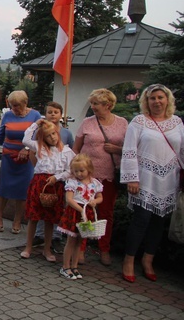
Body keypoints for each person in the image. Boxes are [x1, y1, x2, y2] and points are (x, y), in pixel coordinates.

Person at [120, 84, 183, 283]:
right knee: (141, 220)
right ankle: (128, 261)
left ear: (167, 100)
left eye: (160, 98)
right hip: (144, 180)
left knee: (158, 222)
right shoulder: (139, 122)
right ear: (146, 101)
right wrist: (132, 177)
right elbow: (129, 150)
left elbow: (182, 152)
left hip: (169, 181)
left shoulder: (177, 122)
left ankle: (148, 260)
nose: (156, 101)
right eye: (152, 98)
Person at [72, 88, 127, 266]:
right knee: (84, 211)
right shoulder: (87, 123)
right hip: (87, 177)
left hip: (109, 177)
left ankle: (104, 248)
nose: (93, 106)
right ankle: (81, 248)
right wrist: (74, 171)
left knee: (106, 213)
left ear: (108, 105)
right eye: (92, 103)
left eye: (97, 103)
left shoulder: (122, 123)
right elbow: (76, 148)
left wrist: (117, 150)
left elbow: (131, 149)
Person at [20, 120, 75, 261]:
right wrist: (36, 124)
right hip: (39, 184)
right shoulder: (39, 147)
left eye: (54, 134)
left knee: (50, 219)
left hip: (55, 186)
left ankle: (47, 249)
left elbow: (71, 171)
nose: (52, 138)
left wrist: (57, 177)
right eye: (48, 136)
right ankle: (28, 247)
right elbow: (25, 140)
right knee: (34, 217)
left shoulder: (67, 151)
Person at [0, 90, 41, 234]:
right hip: (8, 157)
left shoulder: (35, 115)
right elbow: (1, 133)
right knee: (4, 188)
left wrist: (27, 148)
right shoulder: (7, 115)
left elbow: (37, 136)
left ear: (25, 103)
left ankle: (17, 220)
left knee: (23, 190)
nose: (14, 109)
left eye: (17, 106)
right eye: (12, 105)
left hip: (26, 160)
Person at [30, 101, 73, 249]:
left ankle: (56, 236)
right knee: (41, 205)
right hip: (43, 175)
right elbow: (33, 150)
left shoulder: (66, 133)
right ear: (45, 114)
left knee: (55, 208)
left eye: (56, 112)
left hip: (58, 177)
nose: (52, 114)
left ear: (61, 115)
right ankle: (39, 235)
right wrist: (38, 167)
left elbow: (70, 154)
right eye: (49, 112)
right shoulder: (40, 132)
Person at [57, 154, 103, 280]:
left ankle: (75, 266)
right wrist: (80, 209)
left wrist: (95, 202)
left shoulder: (95, 183)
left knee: (80, 241)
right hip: (75, 212)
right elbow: (69, 199)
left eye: (82, 171)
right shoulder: (72, 183)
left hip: (87, 213)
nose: (79, 174)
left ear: (89, 169)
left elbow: (100, 197)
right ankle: (65, 266)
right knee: (71, 240)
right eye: (76, 171)